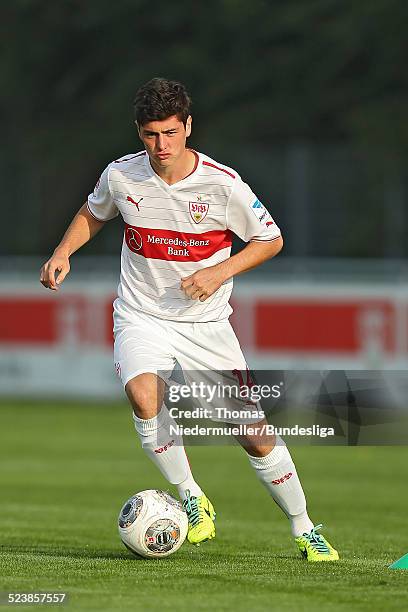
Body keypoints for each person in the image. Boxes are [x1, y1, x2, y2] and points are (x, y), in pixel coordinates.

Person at [40, 77, 338, 561]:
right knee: (143, 394)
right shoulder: (121, 176)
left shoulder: (222, 184)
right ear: (140, 132)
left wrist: (219, 271)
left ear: (188, 127)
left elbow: (271, 239)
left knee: (254, 434)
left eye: (171, 133)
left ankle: (305, 527)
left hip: (206, 325)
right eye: (152, 134)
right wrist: (62, 251)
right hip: (141, 314)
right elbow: (94, 213)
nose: (162, 145)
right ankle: (191, 495)